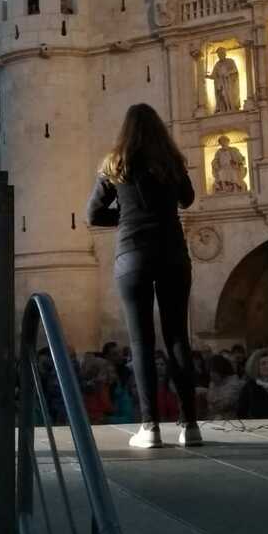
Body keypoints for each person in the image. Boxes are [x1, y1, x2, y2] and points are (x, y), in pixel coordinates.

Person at [86, 102, 201, 449]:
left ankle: (149, 427)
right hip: (172, 254)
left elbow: (93, 214)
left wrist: (125, 216)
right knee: (178, 338)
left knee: (141, 343)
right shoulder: (171, 162)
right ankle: (190, 426)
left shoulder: (115, 164)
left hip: (133, 254)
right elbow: (188, 199)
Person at [205, 354, 244, 420]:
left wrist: (214, 401)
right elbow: (209, 403)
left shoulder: (233, 381)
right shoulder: (213, 382)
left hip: (230, 418)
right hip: (213, 417)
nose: (211, 375)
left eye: (213, 371)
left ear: (221, 369)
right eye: (210, 371)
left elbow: (226, 403)